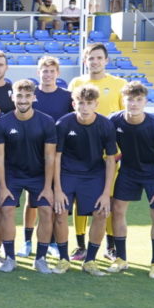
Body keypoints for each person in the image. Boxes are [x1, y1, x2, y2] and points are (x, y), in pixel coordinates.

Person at [108, 82, 154, 279]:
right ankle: (121, 258)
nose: (134, 104)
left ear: (145, 102)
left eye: (138, 100)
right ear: (124, 100)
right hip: (129, 171)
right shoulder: (114, 121)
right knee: (117, 210)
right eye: (130, 99)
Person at [0, 79, 58, 274]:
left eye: (27, 96)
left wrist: (47, 186)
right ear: (12, 97)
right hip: (12, 175)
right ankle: (10, 258)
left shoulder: (46, 121)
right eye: (19, 96)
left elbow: (49, 156)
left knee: (46, 211)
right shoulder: (2, 123)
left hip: (38, 176)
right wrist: (3, 186)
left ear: (34, 97)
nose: (23, 100)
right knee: (7, 210)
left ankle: (40, 259)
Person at [52, 85, 117, 276]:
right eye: (81, 103)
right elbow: (56, 156)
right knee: (60, 213)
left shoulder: (105, 125)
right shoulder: (63, 124)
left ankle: (90, 261)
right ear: (74, 104)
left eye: (89, 103)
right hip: (67, 174)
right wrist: (57, 189)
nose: (85, 107)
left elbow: (111, 159)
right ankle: (63, 259)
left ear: (96, 104)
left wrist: (106, 193)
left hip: (93, 175)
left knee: (100, 213)